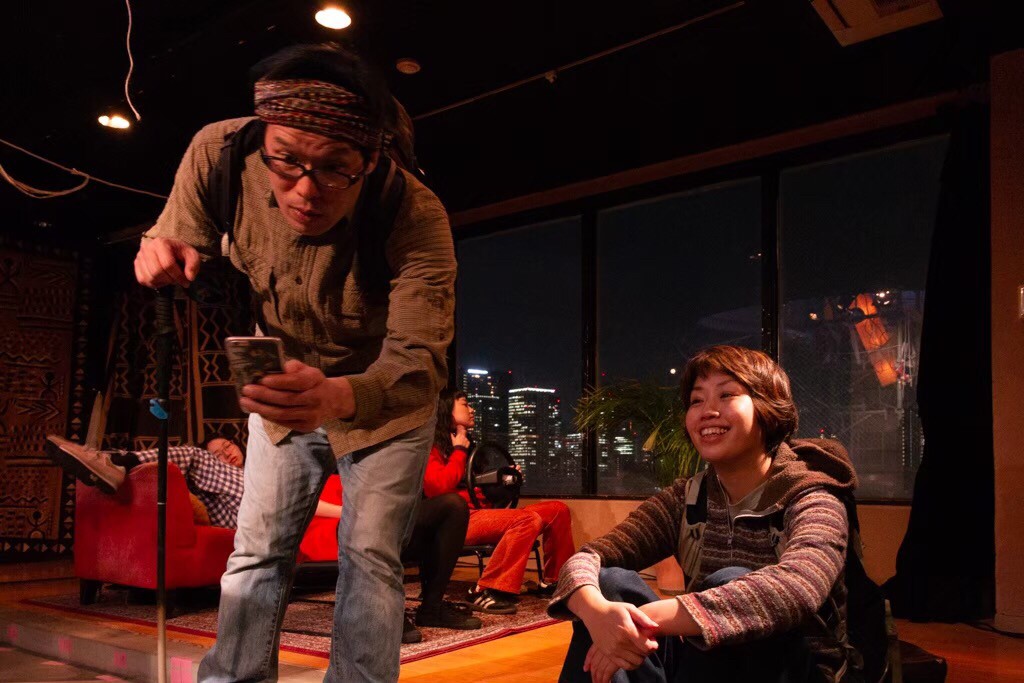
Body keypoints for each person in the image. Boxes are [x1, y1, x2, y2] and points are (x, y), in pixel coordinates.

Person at [133, 43, 456, 682]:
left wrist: (338, 395)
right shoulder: (220, 153)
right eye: (285, 160)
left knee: (369, 557)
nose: (306, 190)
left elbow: (418, 359)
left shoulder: (415, 214)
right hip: (283, 383)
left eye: (335, 169)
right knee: (256, 551)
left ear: (370, 159)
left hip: (384, 400)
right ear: (264, 136)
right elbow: (176, 231)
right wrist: (158, 246)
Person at [549, 345, 863, 683]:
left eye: (727, 395)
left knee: (729, 578)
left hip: (797, 669)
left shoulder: (812, 494)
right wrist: (598, 613)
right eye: (697, 400)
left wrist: (644, 620)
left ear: (768, 408)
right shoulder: (687, 498)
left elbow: (799, 586)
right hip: (705, 668)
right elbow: (587, 559)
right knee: (609, 582)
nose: (707, 411)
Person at [423, 390, 575, 615]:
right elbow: (438, 489)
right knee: (527, 520)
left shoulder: (470, 446)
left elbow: (479, 492)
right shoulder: (432, 446)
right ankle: (487, 589)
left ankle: (555, 583)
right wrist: (459, 450)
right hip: (456, 521)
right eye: (465, 404)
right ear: (447, 409)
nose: (472, 409)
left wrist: (504, 481)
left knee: (557, 510)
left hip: (479, 514)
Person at [45, 434, 246, 528]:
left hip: (256, 504)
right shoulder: (212, 485)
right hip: (238, 520)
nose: (227, 454)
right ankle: (108, 464)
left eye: (227, 446)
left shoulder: (256, 467)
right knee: (177, 473)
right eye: (217, 455)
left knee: (195, 456)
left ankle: (113, 462)